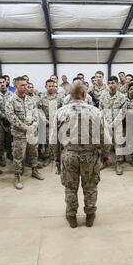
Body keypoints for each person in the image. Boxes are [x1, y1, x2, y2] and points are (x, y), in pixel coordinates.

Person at [50, 81, 111, 228]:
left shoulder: (60, 112)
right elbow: (106, 138)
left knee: (70, 187)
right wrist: (105, 154)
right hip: (90, 155)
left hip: (69, 155)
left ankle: (71, 215)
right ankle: (90, 215)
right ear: (84, 94)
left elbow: (53, 140)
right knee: (90, 186)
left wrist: (57, 159)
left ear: (69, 95)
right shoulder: (96, 112)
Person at [5, 76, 44, 189]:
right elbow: (11, 118)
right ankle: (17, 176)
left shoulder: (30, 99)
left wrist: (35, 125)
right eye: (22, 85)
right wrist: (25, 127)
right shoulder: (10, 100)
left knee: (34, 153)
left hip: (32, 132)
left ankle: (34, 170)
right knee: (18, 156)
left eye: (26, 84)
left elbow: (36, 113)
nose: (25, 87)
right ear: (16, 86)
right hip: (19, 134)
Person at [99, 76, 127, 175]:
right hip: (105, 125)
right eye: (109, 83)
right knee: (105, 144)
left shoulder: (122, 97)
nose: (111, 85)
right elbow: (100, 110)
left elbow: (123, 113)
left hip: (117, 125)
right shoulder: (103, 96)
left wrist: (114, 124)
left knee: (118, 144)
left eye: (113, 83)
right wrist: (105, 123)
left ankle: (118, 163)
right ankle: (104, 161)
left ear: (117, 84)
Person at [38, 79, 63, 168]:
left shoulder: (59, 97)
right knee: (48, 141)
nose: (51, 88)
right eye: (49, 86)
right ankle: (47, 157)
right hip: (47, 123)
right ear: (46, 87)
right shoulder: (42, 98)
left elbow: (62, 110)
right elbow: (39, 111)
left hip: (58, 123)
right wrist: (45, 121)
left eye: (53, 86)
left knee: (58, 141)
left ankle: (57, 157)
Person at [0, 75, 12, 167]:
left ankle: (9, 153)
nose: (2, 84)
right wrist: (3, 116)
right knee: (0, 139)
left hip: (10, 120)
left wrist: (9, 116)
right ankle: (0, 156)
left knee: (9, 138)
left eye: (3, 82)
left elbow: (13, 106)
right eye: (0, 82)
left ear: (6, 83)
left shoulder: (11, 95)